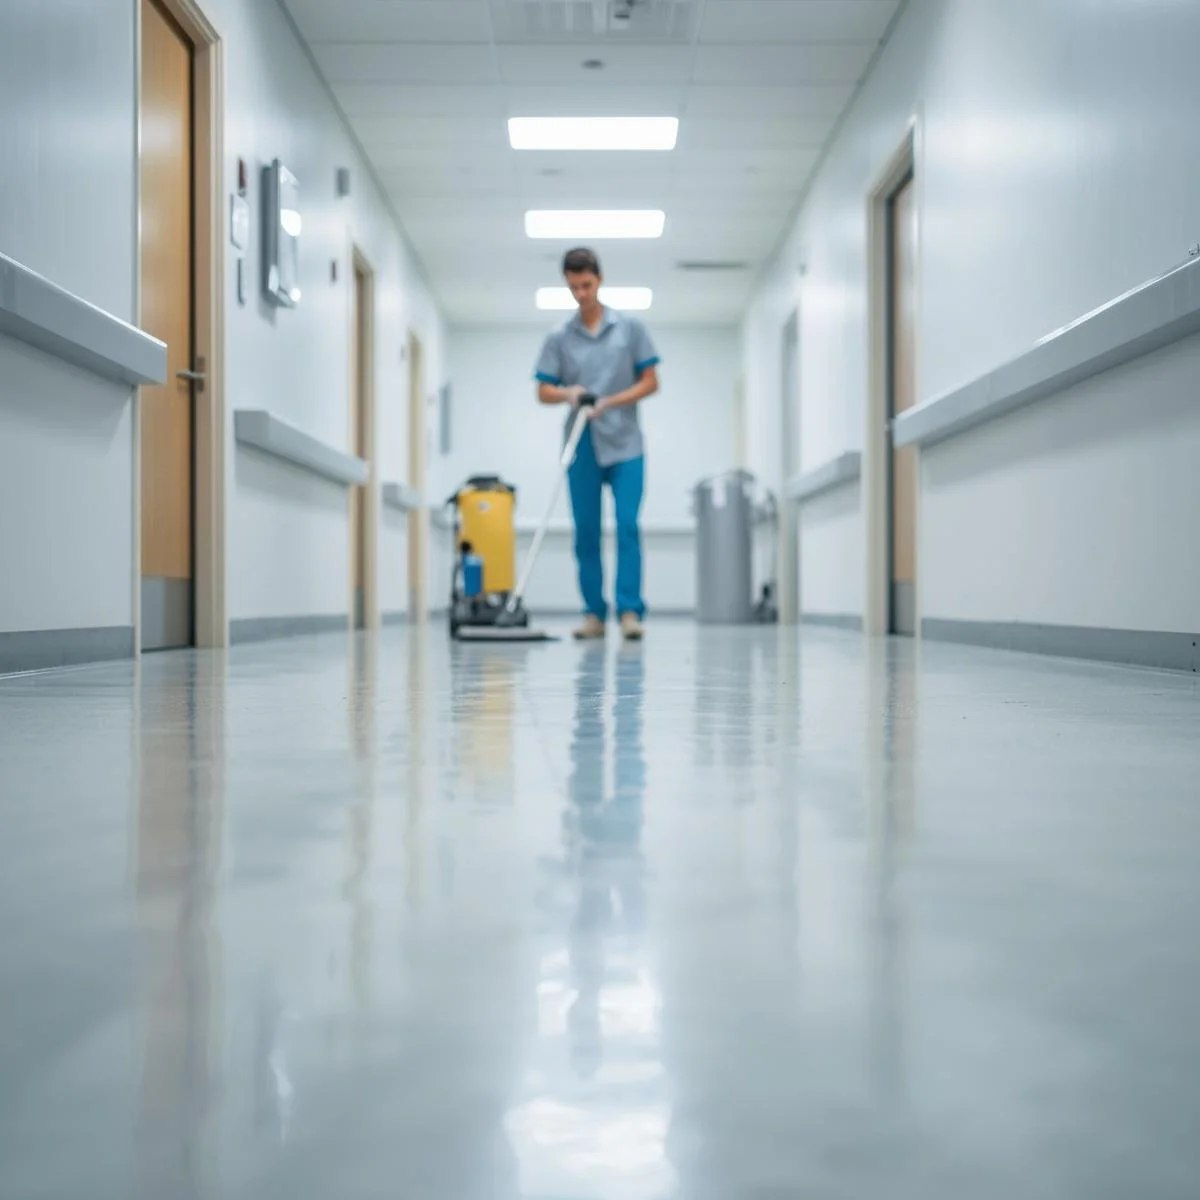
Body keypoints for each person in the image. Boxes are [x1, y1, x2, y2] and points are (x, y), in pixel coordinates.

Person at [533, 248, 660, 641]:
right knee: (586, 531)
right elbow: (543, 390)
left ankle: (629, 613)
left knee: (626, 525)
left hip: (626, 444)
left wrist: (611, 400)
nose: (581, 294)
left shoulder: (631, 329)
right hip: (581, 443)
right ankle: (593, 613)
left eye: (586, 285)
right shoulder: (559, 336)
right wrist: (569, 393)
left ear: (599, 280)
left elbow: (651, 381)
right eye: (573, 287)